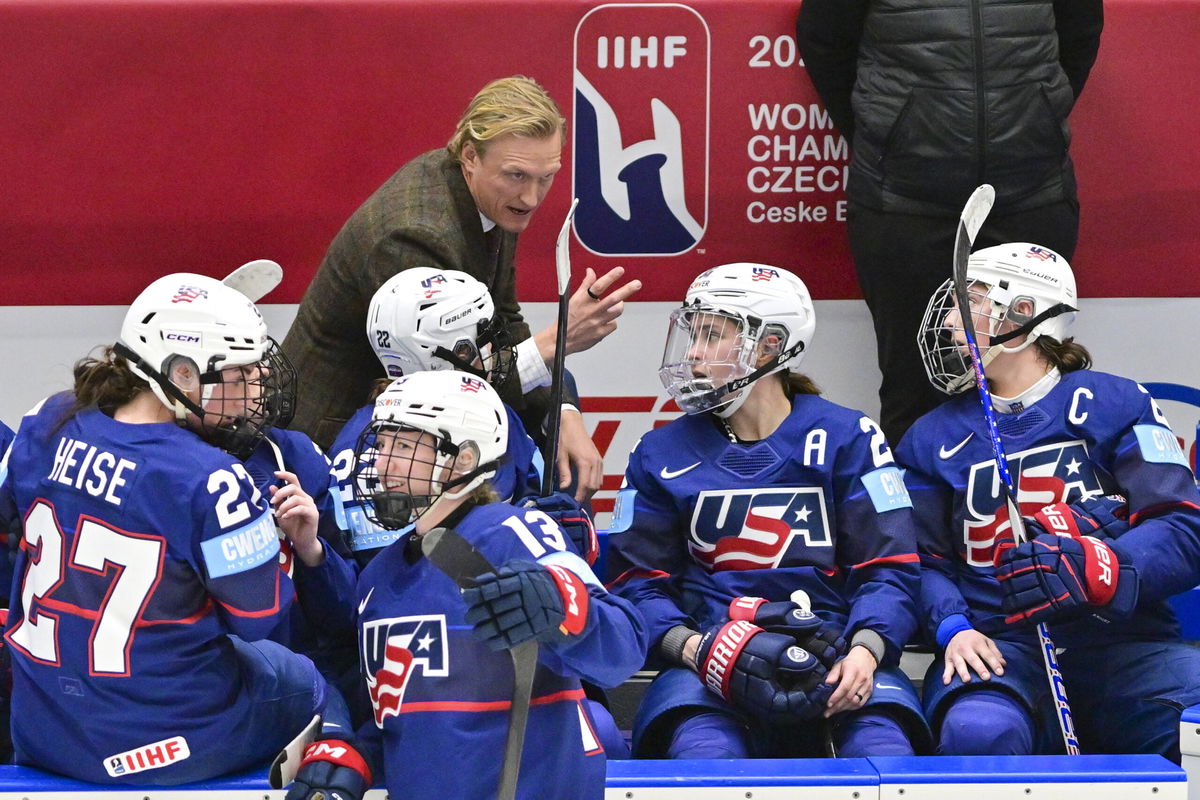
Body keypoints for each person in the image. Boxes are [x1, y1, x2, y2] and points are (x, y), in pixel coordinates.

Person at [0, 272, 360, 784]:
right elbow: (261, 621)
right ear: (183, 375)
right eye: (240, 374)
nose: (256, 387)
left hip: (41, 732)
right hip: (165, 745)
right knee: (308, 676)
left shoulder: (46, 417)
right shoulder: (215, 480)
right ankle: (341, 768)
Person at [605, 262, 928, 759]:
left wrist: (865, 650)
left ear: (770, 345)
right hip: (709, 663)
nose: (692, 352)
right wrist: (696, 649)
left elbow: (890, 570)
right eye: (693, 334)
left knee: (885, 752)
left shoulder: (849, 438)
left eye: (711, 335)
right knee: (704, 759)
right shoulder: (658, 452)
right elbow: (634, 583)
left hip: (837, 655)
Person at [897, 243, 1200, 760]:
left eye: (967, 303)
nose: (949, 324)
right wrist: (954, 627)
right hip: (1000, 649)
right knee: (978, 731)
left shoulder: (1115, 402)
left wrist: (1105, 565)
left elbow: (1182, 525)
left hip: (1126, 643)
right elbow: (918, 562)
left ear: (1025, 314)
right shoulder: (930, 438)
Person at [282, 75, 642, 500]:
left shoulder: (491, 195)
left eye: (546, 177)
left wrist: (563, 411)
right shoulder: (414, 234)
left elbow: (503, 321)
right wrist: (555, 342)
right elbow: (446, 385)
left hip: (407, 434)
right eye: (517, 176)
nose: (531, 197)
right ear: (470, 156)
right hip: (335, 447)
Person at [291, 370, 645, 800]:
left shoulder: (516, 532)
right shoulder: (377, 578)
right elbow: (412, 723)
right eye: (381, 445)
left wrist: (560, 601)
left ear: (463, 458)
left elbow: (624, 645)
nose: (384, 464)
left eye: (404, 445)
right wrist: (359, 754)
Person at [795, 0, 1104, 447]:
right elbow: (826, 43)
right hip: (905, 200)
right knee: (917, 385)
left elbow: (1079, 33)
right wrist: (891, 133)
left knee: (1036, 375)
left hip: (1030, 190)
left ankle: (1037, 512)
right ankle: (921, 517)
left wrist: (1035, 118)